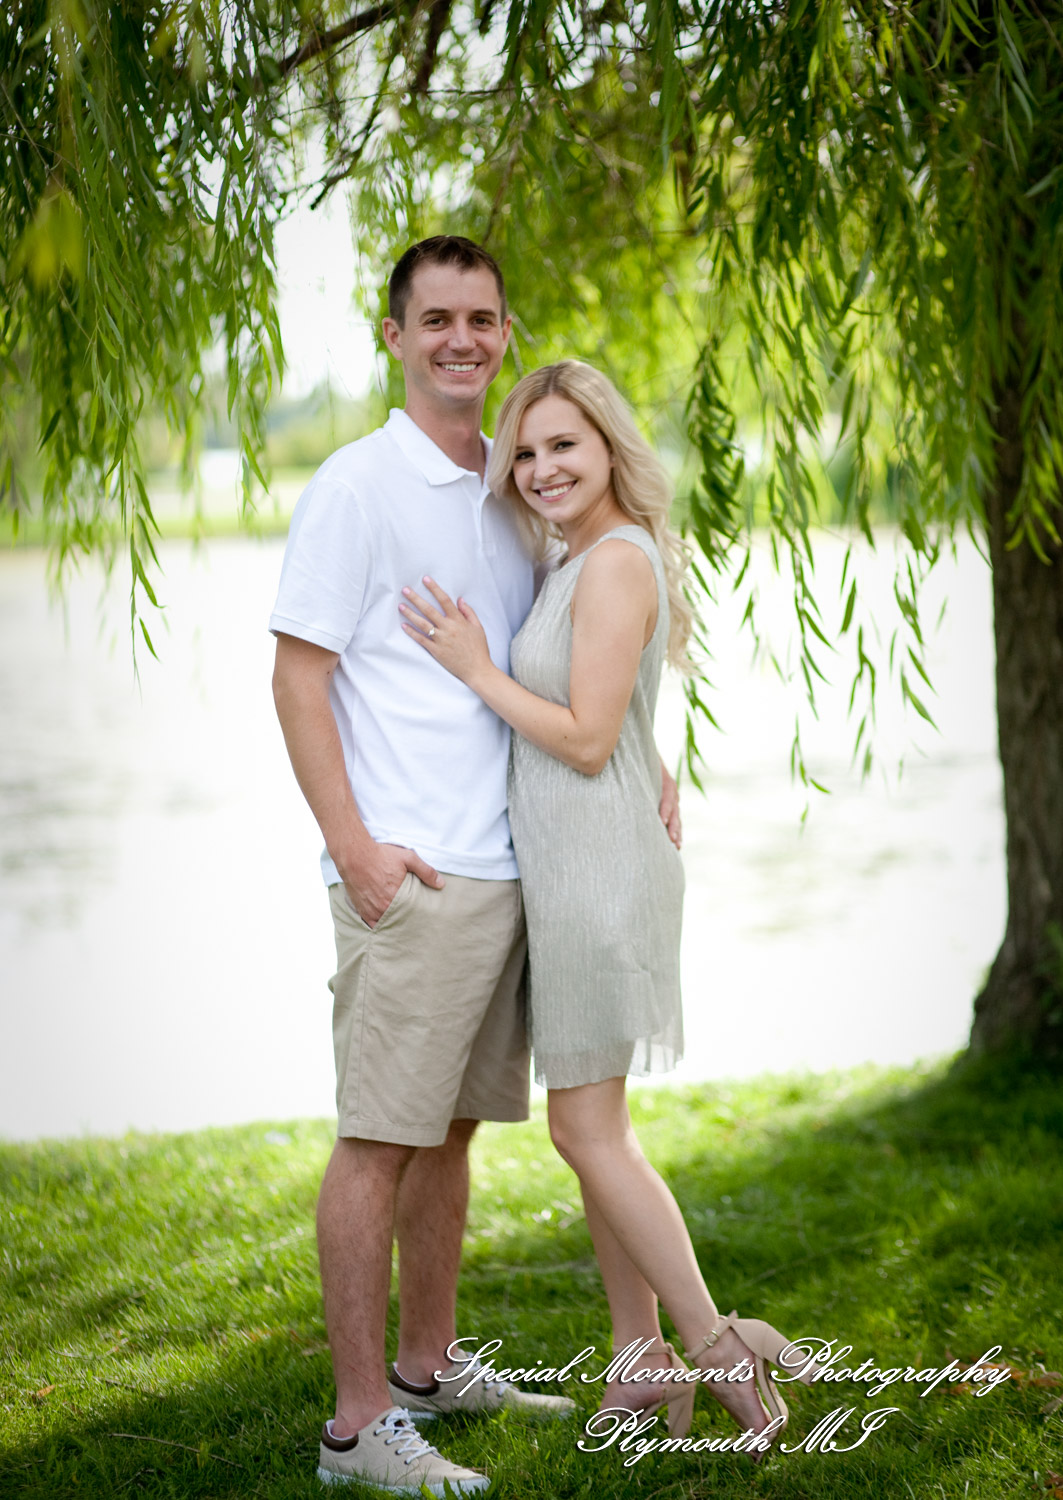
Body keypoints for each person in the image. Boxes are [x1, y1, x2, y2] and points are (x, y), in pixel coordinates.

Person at [269, 240, 681, 1493]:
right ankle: (356, 1432)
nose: (461, 337)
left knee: (448, 1137)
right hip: (416, 873)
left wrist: (644, 764)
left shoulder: (513, 494)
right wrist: (354, 849)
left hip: (516, 872)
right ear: (393, 335)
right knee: (377, 1141)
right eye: (435, 317)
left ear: (506, 334)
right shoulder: (356, 487)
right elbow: (299, 675)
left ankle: (428, 1368)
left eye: (482, 318)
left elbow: (570, 662)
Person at [399, 360, 814, 1458]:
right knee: (598, 1136)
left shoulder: (615, 559)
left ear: (608, 447)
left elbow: (581, 735)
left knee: (586, 1132)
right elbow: (615, 713)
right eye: (523, 452)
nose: (538, 469)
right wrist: (653, 757)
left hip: (595, 877)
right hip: (581, 861)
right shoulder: (586, 554)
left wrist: (475, 668)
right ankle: (638, 1363)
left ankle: (715, 1342)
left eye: (561, 447)